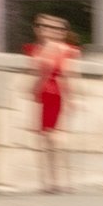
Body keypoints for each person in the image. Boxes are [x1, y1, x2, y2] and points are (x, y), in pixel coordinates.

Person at [27, 14, 79, 191]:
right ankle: (48, 182)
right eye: (42, 26)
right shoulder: (37, 49)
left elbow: (69, 75)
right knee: (44, 140)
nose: (46, 30)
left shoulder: (65, 50)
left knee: (57, 140)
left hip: (57, 94)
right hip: (43, 95)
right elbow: (35, 73)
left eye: (52, 28)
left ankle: (64, 180)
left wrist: (73, 98)